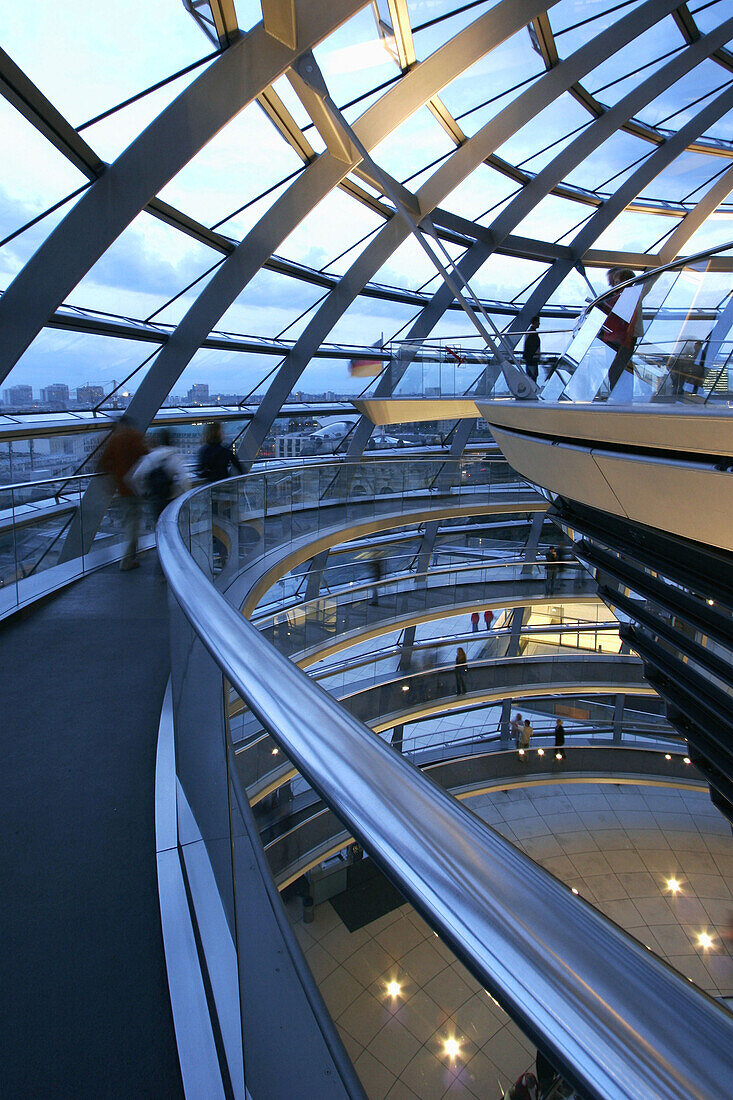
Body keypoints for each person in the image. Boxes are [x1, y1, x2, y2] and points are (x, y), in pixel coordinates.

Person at [97, 414, 149, 571]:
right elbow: (147, 456)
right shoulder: (136, 438)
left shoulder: (115, 441)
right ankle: (128, 559)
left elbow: (102, 464)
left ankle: (134, 554)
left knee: (130, 522)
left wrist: (113, 477)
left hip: (123, 489)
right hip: (137, 487)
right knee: (134, 523)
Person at [129, 429, 190, 525]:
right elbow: (184, 479)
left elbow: (135, 477)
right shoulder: (174, 457)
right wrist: (181, 494)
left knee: (158, 524)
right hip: (170, 497)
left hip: (155, 498)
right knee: (170, 524)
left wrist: (143, 492)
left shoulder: (151, 457)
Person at [599, 267, 640, 393]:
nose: (613, 285)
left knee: (618, 371)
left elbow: (617, 312)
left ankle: (620, 398)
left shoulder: (628, 295)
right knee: (617, 370)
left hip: (619, 339)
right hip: (615, 338)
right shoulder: (623, 296)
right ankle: (619, 397)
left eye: (616, 282)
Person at [523, 317, 541, 384]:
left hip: (531, 359)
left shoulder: (530, 332)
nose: (539, 323)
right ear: (535, 322)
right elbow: (530, 347)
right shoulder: (532, 333)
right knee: (532, 376)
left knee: (531, 376)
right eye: (538, 321)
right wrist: (533, 356)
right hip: (532, 359)